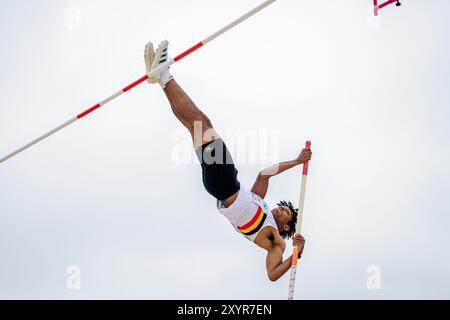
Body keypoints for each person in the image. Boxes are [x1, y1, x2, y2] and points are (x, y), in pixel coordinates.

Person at [144, 41, 312, 281]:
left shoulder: (275, 242)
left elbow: (272, 274)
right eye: (283, 207)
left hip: (224, 184)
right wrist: (296, 161)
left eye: (285, 212)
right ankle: (160, 77)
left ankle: (163, 74)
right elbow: (265, 174)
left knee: (202, 121)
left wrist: (297, 253)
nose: (280, 209)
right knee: (195, 125)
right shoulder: (260, 204)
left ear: (286, 227)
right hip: (220, 185)